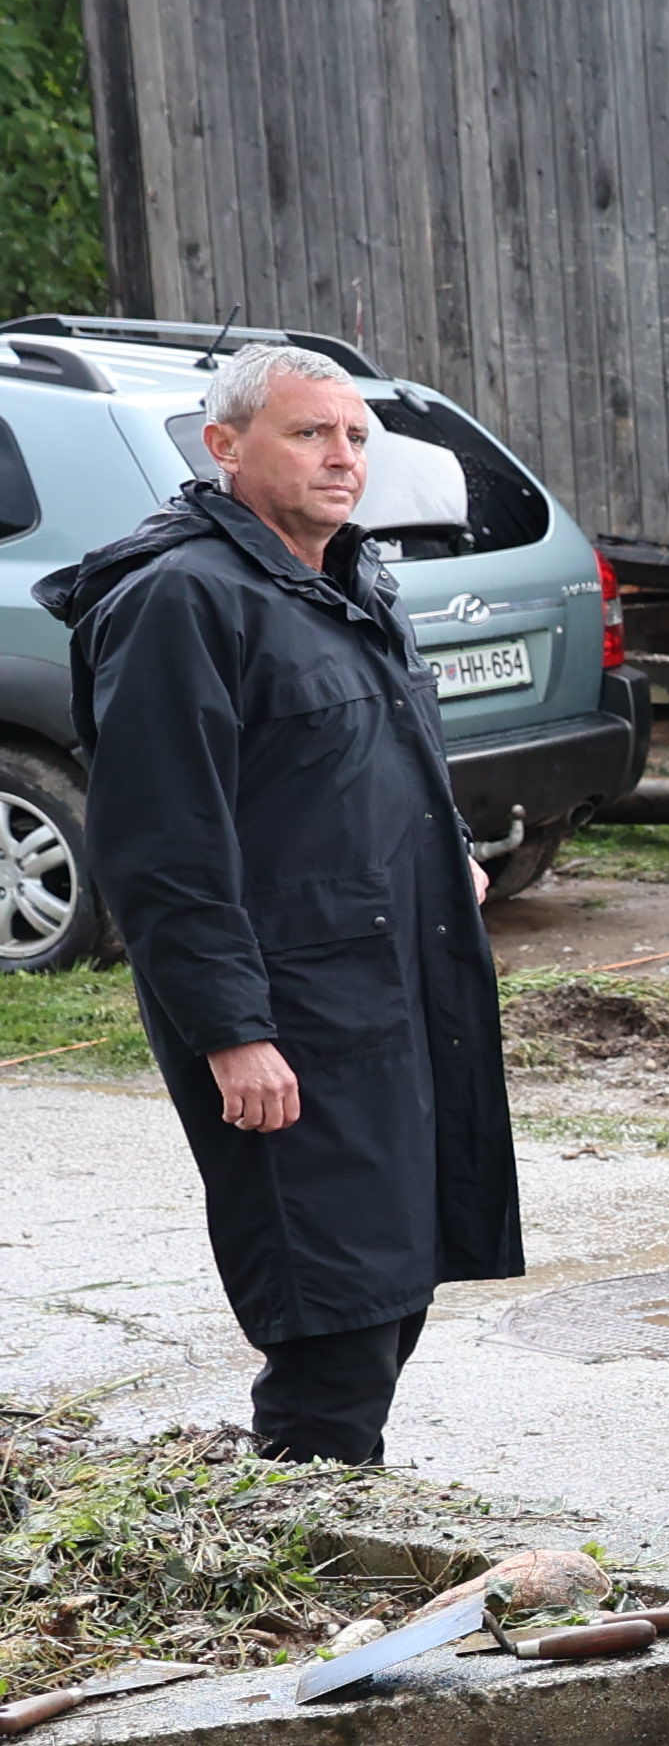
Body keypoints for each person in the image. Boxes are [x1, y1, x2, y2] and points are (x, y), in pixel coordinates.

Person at [40, 342, 516, 1463]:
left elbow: (373, 754)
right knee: (332, 1308)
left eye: (355, 436)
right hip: (289, 1011)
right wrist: (233, 1033)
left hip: (391, 984)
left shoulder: (342, 576)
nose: (343, 458)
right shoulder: (180, 600)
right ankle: (309, 1557)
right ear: (224, 446)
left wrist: (448, 851)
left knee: (397, 1279)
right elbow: (161, 847)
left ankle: (340, 1536)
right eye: (310, 434)